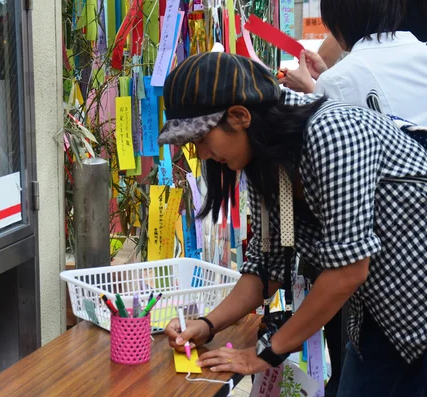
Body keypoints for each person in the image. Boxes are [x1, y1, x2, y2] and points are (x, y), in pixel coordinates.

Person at [160, 52, 427, 396]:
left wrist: (266, 353)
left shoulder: (333, 132)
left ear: (240, 116)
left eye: (200, 139)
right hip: (383, 317)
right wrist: (206, 324)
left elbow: (348, 271)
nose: (203, 154)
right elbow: (266, 266)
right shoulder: (263, 156)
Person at [280, 0, 427, 126]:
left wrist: (311, 88)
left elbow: (328, 135)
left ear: (337, 24)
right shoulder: (421, 51)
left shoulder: (337, 80)